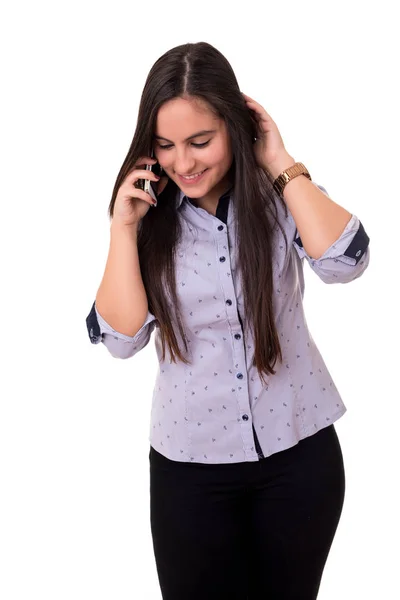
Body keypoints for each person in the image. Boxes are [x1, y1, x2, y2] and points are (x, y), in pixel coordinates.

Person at [86, 41, 370, 600]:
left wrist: (281, 163)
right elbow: (122, 341)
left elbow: (346, 262)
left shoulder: (280, 195)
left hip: (300, 458)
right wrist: (121, 229)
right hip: (190, 473)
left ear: (235, 128)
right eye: (165, 145)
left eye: (200, 141)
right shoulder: (146, 220)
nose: (183, 163)